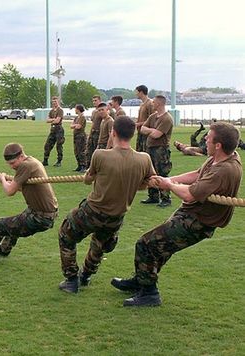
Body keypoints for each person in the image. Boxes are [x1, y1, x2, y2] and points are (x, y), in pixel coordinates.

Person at [112, 122, 242, 307]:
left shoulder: (224, 169)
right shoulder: (220, 158)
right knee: (160, 247)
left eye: (209, 137)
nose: (205, 138)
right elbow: (197, 174)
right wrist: (170, 179)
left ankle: (149, 294)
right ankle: (142, 281)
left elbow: (189, 194)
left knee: (146, 243)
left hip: (198, 221)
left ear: (218, 145)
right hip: (191, 213)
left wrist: (169, 185)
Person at [57, 116, 156, 293]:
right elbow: (149, 182)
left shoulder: (101, 154)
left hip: (92, 211)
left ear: (114, 132)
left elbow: (88, 180)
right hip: (116, 217)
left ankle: (72, 279)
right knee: (99, 246)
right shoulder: (144, 159)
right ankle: (85, 276)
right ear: (132, 134)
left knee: (66, 234)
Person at [0, 143, 58, 263]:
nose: (11, 167)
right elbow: (21, 188)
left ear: (21, 156)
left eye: (12, 163)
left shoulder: (26, 166)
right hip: (42, 212)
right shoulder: (32, 161)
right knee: (13, 224)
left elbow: (10, 191)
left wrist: (2, 178)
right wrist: (0, 180)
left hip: (40, 217)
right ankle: (5, 249)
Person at [140, 95, 174, 208]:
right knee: (150, 172)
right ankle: (153, 196)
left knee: (161, 173)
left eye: (154, 102)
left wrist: (150, 131)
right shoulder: (152, 116)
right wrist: (152, 130)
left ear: (159, 104)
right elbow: (142, 129)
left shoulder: (167, 118)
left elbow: (156, 135)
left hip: (161, 150)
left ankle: (165, 198)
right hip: (150, 148)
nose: (152, 104)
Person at [43, 96, 65, 167]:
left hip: (59, 129)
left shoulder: (60, 110)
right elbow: (47, 120)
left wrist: (52, 120)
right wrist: (53, 119)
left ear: (58, 101)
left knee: (59, 145)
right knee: (47, 145)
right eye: (53, 101)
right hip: (53, 130)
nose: (54, 103)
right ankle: (45, 160)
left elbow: (57, 121)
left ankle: (59, 161)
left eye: (55, 101)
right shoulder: (51, 111)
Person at [85, 95, 104, 168]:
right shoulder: (93, 112)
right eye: (93, 101)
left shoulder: (102, 111)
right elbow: (93, 123)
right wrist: (89, 134)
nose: (94, 102)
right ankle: (89, 167)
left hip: (99, 133)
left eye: (95, 100)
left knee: (97, 151)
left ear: (99, 100)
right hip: (93, 133)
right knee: (89, 151)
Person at [135, 85, 153, 152]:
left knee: (146, 152)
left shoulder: (150, 103)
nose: (136, 94)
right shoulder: (142, 104)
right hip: (140, 132)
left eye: (137, 92)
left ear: (141, 92)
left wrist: (139, 124)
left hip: (146, 133)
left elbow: (152, 119)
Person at [71, 104, 88, 172]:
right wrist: (75, 125)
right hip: (76, 135)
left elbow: (79, 127)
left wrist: (74, 125)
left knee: (81, 151)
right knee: (76, 151)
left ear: (78, 109)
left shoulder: (82, 117)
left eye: (75, 109)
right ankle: (79, 165)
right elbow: (71, 126)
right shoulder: (76, 118)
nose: (75, 110)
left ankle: (83, 165)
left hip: (81, 136)